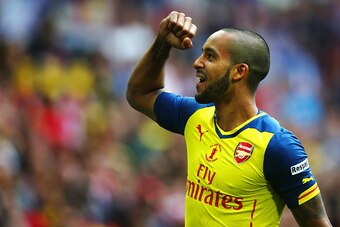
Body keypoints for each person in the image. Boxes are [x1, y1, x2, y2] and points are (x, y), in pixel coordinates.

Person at [126, 11, 332, 226]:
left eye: (211, 56)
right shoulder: (194, 115)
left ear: (238, 72)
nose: (197, 62)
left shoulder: (277, 146)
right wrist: (162, 44)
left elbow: (316, 221)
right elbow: (140, 94)